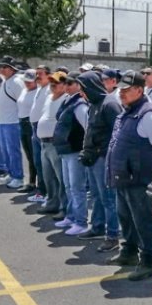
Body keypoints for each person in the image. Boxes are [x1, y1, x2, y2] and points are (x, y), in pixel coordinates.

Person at [105, 70, 152, 282]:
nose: (121, 93)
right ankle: (129, 252)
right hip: (124, 178)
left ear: (139, 90)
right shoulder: (127, 112)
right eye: (121, 90)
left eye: (126, 90)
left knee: (143, 221)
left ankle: (148, 261)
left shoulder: (148, 115)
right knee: (126, 217)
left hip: (139, 180)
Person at [76, 71, 122, 252]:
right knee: (96, 196)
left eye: (83, 88)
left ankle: (112, 235)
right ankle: (97, 226)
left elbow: (117, 134)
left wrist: (100, 152)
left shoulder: (109, 104)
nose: (81, 93)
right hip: (93, 159)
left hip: (104, 159)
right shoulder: (93, 104)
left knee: (108, 199)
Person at [52, 73, 89, 236]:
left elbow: (87, 128)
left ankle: (80, 222)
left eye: (71, 83)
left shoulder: (80, 105)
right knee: (68, 186)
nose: (67, 86)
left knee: (77, 187)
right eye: (65, 83)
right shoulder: (69, 100)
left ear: (79, 85)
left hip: (74, 151)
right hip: (66, 151)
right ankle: (71, 215)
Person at [36, 72, 69, 220]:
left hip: (56, 144)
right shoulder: (49, 98)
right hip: (44, 143)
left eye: (56, 83)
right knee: (48, 177)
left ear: (64, 84)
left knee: (61, 178)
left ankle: (64, 207)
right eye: (51, 83)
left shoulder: (66, 99)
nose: (52, 85)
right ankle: (52, 203)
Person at [0, 56, 26, 189]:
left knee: (13, 150)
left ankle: (18, 177)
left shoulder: (16, 82)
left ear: (9, 69)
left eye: (3, 67)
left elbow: (22, 101)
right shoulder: (6, 81)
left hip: (13, 121)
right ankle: (11, 173)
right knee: (5, 149)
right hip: (3, 121)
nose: (0, 69)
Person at [27, 65, 52, 203]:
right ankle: (41, 191)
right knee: (38, 162)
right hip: (35, 128)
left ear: (48, 75)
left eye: (40, 73)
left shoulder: (49, 89)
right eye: (36, 73)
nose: (37, 76)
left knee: (45, 164)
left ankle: (47, 192)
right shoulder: (40, 89)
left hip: (42, 130)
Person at [17, 69, 39, 194]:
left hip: (31, 124)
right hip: (22, 123)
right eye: (26, 81)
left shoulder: (38, 92)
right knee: (29, 156)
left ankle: (36, 183)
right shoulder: (24, 91)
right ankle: (31, 181)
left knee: (35, 156)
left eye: (30, 82)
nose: (27, 84)